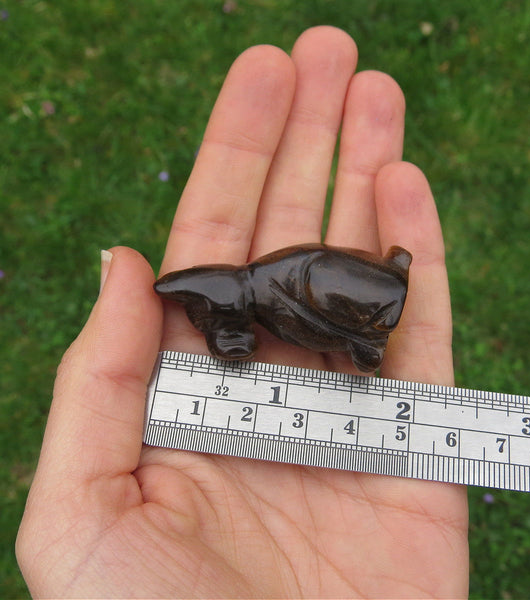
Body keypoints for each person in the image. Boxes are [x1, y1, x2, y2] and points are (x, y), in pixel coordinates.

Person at [16, 26, 469, 598]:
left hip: (329, 301)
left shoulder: (276, 290)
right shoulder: (272, 289)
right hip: (319, 297)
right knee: (295, 291)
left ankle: (354, 313)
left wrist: (366, 330)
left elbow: (324, 304)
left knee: (301, 292)